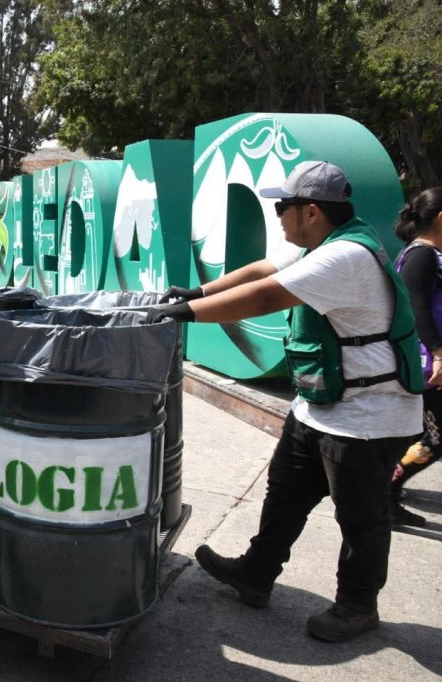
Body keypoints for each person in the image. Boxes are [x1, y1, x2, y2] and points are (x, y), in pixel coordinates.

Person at [151, 161, 423, 643]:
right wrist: (197, 291)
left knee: (360, 517)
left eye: (282, 207)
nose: (277, 216)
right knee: (286, 492)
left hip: (368, 417)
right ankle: (255, 575)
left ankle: (358, 606)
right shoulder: (327, 243)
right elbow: (261, 270)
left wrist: (184, 314)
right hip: (322, 406)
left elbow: (263, 298)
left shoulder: (345, 259)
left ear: (312, 211)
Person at [391, 186, 442, 527]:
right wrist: (438, 355)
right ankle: (386, 490)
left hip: (429, 362)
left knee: (414, 433)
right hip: (426, 364)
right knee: (435, 436)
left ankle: (384, 490)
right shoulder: (422, 255)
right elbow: (416, 307)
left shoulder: (430, 254)